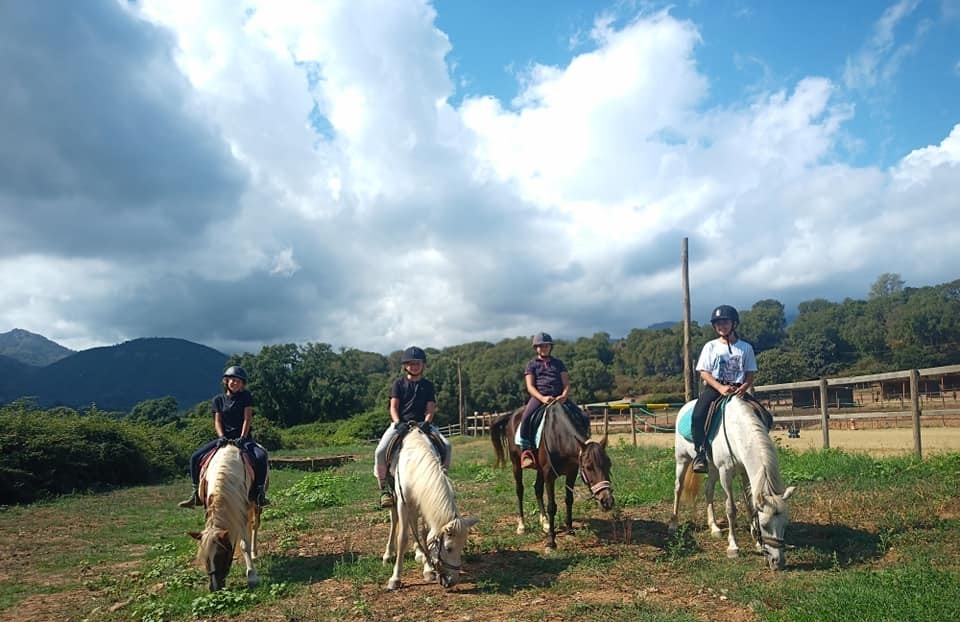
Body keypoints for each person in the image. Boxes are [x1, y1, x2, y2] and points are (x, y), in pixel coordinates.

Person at [178, 366, 271, 508]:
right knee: (195, 457)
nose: (235, 383)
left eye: (239, 381)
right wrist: (221, 436)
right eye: (232, 380)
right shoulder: (218, 400)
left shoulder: (246, 397)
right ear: (226, 381)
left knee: (261, 456)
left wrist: (243, 437)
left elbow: (247, 418)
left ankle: (259, 493)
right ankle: (196, 493)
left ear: (242, 384)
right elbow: (218, 421)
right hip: (224, 439)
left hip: (243, 439)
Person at [373, 346, 451, 509]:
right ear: (405, 366)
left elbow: (430, 408)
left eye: (417, 363)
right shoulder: (398, 384)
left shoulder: (428, 385)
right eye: (411, 363)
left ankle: (441, 481)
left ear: (423, 365)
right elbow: (393, 407)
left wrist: (427, 422)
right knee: (380, 451)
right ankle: (385, 489)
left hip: (422, 425)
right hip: (401, 424)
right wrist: (397, 423)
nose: (414, 366)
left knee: (447, 446)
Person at [690, 305, 758, 473]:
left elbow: (750, 373)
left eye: (725, 322)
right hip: (715, 387)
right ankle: (700, 453)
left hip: (738, 390)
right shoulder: (710, 346)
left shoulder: (746, 348)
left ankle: (759, 449)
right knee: (698, 415)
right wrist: (720, 387)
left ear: (734, 324)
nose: (722, 326)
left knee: (763, 415)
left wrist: (744, 387)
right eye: (718, 324)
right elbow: (704, 373)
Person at [517, 332, 587, 469]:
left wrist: (564, 396)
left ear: (550, 347)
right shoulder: (532, 365)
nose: (544, 348)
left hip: (559, 398)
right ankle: (526, 452)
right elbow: (530, 386)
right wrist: (542, 398)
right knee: (526, 418)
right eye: (541, 346)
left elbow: (566, 383)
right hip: (540, 397)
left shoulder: (558, 364)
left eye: (547, 346)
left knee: (583, 416)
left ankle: (584, 445)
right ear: (536, 348)